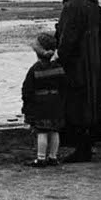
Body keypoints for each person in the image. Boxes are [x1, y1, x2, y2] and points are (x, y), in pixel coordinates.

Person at [53, 0, 101, 163]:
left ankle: (81, 149)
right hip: (95, 62)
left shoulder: (72, 6)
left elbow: (68, 40)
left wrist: (59, 59)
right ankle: (86, 146)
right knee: (91, 104)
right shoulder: (94, 6)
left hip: (77, 64)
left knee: (76, 104)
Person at [21, 32, 66, 167]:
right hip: (55, 101)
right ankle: (53, 157)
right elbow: (64, 85)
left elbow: (27, 89)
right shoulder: (58, 67)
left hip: (40, 103)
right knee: (54, 130)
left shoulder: (35, 69)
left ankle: (41, 158)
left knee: (41, 131)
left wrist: (27, 104)